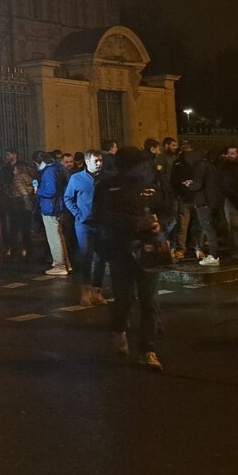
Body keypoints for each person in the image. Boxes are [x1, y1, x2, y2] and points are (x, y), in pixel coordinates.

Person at [95, 146, 165, 371]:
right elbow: (100, 216)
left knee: (150, 301)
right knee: (124, 299)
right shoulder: (107, 188)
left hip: (148, 250)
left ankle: (147, 349)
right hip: (120, 250)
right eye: (141, 163)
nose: (146, 167)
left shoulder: (151, 187)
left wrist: (160, 224)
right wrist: (133, 223)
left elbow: (167, 209)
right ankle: (118, 328)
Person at [64, 149, 108, 306]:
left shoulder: (105, 178)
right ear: (87, 162)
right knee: (86, 256)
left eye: (100, 160)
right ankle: (86, 291)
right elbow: (68, 198)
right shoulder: (77, 178)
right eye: (96, 161)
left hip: (102, 223)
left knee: (101, 258)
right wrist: (78, 214)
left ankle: (97, 291)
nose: (99, 163)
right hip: (84, 224)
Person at [34, 151, 71, 276]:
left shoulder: (49, 172)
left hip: (50, 207)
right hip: (57, 206)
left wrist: (38, 191)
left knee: (54, 237)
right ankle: (65, 264)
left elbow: (50, 191)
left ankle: (59, 265)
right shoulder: (58, 169)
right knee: (59, 236)